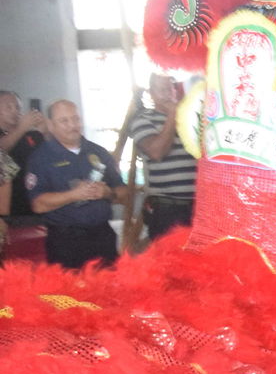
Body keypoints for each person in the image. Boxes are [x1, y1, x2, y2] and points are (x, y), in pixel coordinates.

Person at [23, 100, 124, 269]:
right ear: (50, 125)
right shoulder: (40, 158)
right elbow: (38, 205)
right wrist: (73, 195)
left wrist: (107, 193)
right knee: (72, 295)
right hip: (65, 242)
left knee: (110, 291)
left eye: (76, 119)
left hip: (103, 236)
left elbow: (125, 193)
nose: (72, 125)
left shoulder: (98, 152)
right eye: (64, 121)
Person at [129, 74, 199, 240]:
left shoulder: (191, 120)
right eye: (162, 90)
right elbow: (156, 152)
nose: (168, 93)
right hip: (167, 209)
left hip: (198, 207)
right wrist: (173, 116)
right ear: (151, 93)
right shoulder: (142, 120)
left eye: (170, 88)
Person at [0, 90, 48, 217]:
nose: (15, 111)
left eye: (18, 107)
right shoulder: (21, 129)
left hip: (34, 202)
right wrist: (21, 127)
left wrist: (45, 129)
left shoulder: (29, 134)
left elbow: (49, 154)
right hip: (8, 207)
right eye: (9, 107)